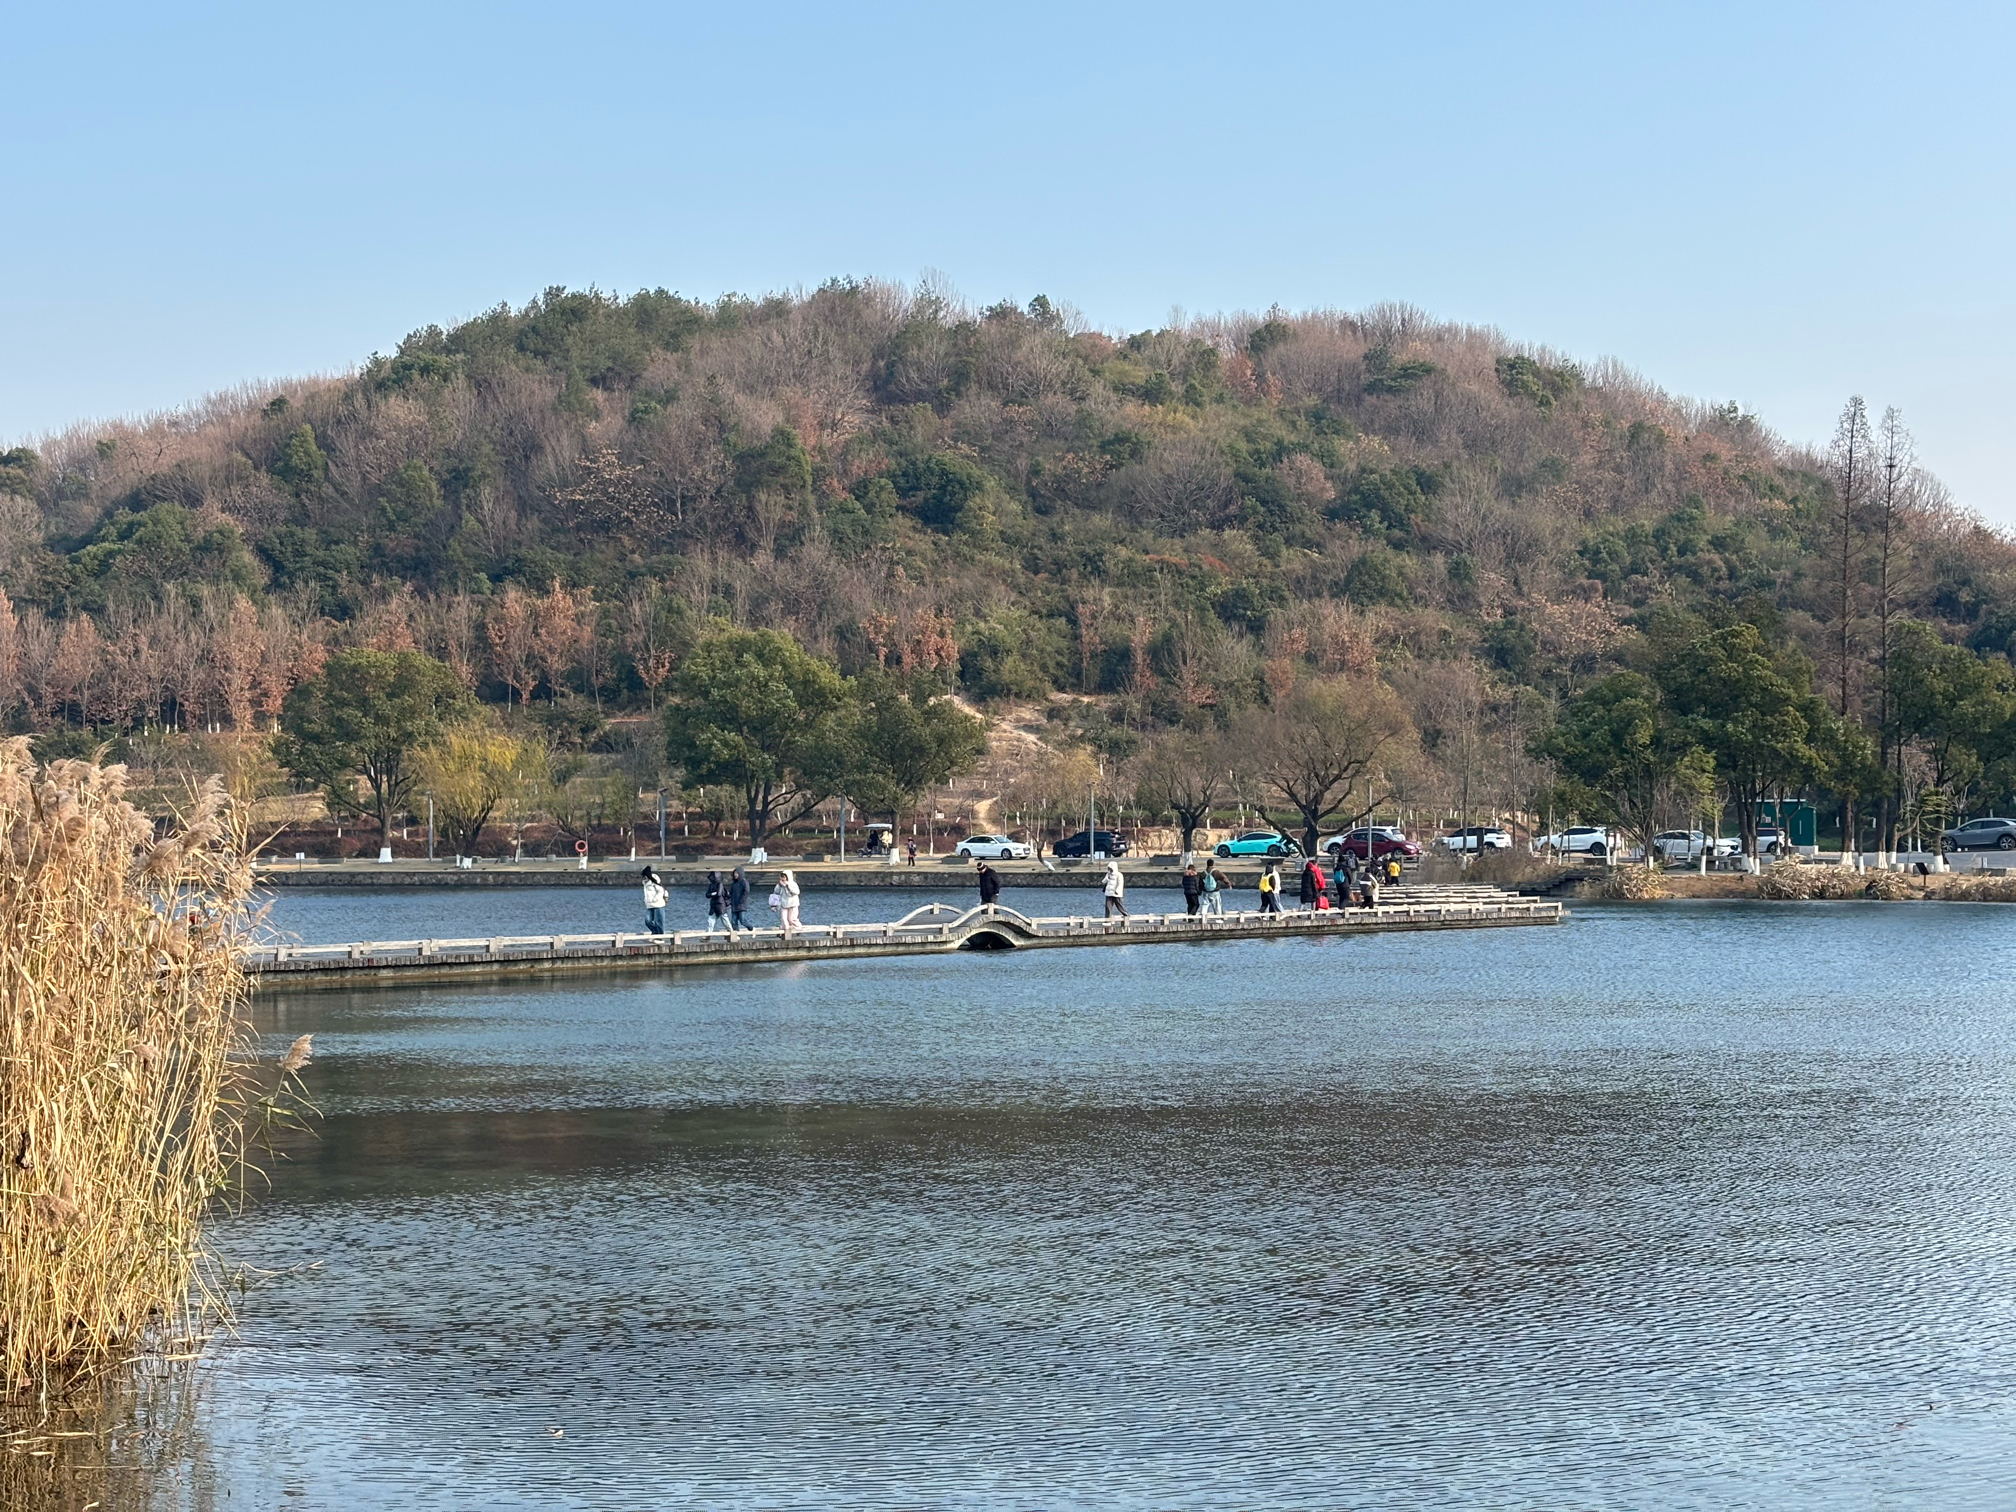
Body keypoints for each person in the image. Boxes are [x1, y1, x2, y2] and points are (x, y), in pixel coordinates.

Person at [640, 866, 667, 935]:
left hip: (658, 904)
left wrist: (655, 899)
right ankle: (655, 932)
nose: (644, 878)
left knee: (659, 921)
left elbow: (661, 891)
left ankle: (660, 936)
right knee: (647, 920)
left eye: (644, 876)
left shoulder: (654, 882)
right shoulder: (645, 883)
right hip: (649, 905)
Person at [778, 868, 802, 933]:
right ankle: (786, 928)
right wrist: (779, 885)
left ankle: (798, 927)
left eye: (784, 877)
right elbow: (776, 891)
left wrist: (788, 886)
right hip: (784, 903)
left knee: (792, 919)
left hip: (792, 904)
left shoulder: (793, 884)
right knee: (784, 918)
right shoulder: (781, 885)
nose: (782, 878)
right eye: (781, 877)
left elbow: (797, 892)